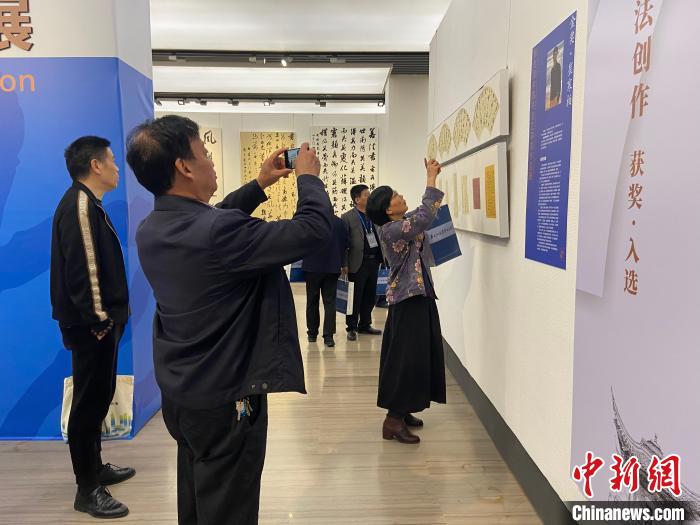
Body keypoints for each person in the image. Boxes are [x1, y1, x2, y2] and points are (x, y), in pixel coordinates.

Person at [127, 115, 332, 525]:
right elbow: (313, 230)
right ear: (184, 167)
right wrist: (308, 179)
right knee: (229, 508)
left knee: (198, 492)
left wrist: (260, 184)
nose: (211, 161)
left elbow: (212, 219)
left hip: (183, 393)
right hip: (226, 399)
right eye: (204, 153)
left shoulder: (152, 227)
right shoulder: (217, 231)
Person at [50, 136, 135, 519]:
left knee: (98, 397)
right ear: (95, 165)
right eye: (112, 161)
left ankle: (95, 468)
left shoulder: (88, 203)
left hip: (97, 324)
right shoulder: (80, 206)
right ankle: (87, 489)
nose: (117, 168)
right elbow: (84, 270)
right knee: (88, 404)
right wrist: (99, 320)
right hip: (92, 326)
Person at [365, 159, 447, 445]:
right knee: (406, 358)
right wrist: (430, 177)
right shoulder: (391, 230)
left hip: (418, 296)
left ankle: (404, 408)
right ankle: (393, 420)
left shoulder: (400, 224)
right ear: (389, 210)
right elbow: (424, 217)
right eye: (396, 196)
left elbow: (422, 215)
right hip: (407, 299)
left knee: (416, 356)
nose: (401, 196)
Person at [341, 184, 383, 341]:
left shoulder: (374, 215)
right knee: (354, 297)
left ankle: (365, 324)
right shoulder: (347, 217)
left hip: (374, 261)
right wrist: (344, 263)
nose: (369, 197)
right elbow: (343, 243)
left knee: (370, 296)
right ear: (357, 199)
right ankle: (351, 327)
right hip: (357, 262)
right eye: (366, 194)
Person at [303, 215, 348, 347]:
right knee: (330, 302)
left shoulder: (310, 221)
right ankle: (328, 336)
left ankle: (312, 333)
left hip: (312, 267)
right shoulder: (339, 223)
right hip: (332, 267)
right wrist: (343, 264)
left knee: (312, 300)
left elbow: (302, 242)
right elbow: (345, 245)